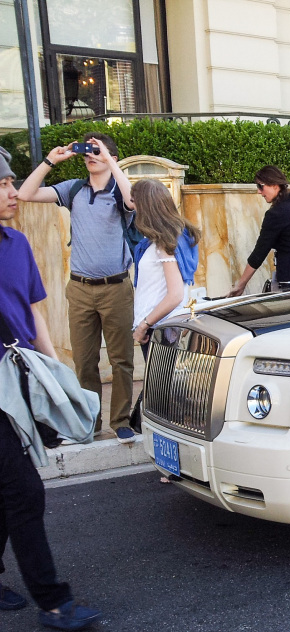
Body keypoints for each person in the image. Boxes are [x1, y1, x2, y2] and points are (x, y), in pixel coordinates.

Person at [0, 147, 102, 632]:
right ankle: (53, 600)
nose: (11, 192)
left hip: (22, 382)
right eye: (1, 186)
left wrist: (56, 375)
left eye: (10, 183)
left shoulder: (16, 244)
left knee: (8, 487)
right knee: (23, 492)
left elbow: (34, 311)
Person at [17, 132, 136, 444]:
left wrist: (109, 159)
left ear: (111, 156)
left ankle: (121, 420)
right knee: (84, 362)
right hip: (81, 289)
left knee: (121, 359)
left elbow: (133, 200)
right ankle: (89, 423)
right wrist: (50, 161)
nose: (90, 155)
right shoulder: (74, 190)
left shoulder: (118, 190)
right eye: (88, 150)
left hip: (117, 288)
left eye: (97, 151)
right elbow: (26, 194)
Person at [228, 166, 290, 296]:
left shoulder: (275, 214)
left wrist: (241, 285)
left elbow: (259, 253)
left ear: (275, 185)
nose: (259, 192)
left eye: (260, 186)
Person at [130, 180, 201, 351]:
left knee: (160, 378)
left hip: (160, 328)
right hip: (159, 326)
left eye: (134, 202)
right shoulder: (166, 237)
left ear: (146, 206)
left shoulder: (165, 242)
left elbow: (175, 295)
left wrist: (143, 326)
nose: (132, 207)